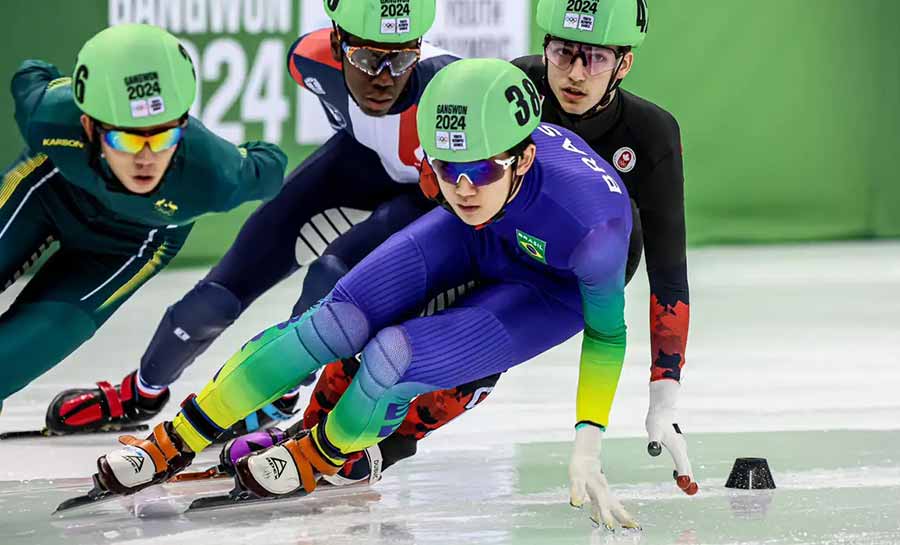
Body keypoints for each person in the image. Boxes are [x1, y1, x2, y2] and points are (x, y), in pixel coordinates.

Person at [91, 57, 642, 529]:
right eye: (448, 167)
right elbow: (468, 191)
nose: (464, 186)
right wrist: (469, 182)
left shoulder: (595, 230)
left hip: (551, 287)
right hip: (482, 235)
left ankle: (316, 455)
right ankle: (173, 438)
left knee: (391, 356)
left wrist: (588, 443)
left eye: (480, 169)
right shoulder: (474, 187)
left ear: (521, 159)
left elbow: (608, 337)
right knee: (331, 324)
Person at [249, 0, 696, 496]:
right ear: (544, 46)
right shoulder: (510, 86)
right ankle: (307, 429)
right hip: (487, 233)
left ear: (624, 64)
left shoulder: (651, 134)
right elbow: (434, 179)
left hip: (563, 271)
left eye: (595, 58)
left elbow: (669, 276)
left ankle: (388, 446)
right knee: (379, 312)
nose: (573, 72)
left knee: (467, 357)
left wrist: (664, 397)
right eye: (563, 52)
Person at [45, 0, 458, 435]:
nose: (383, 79)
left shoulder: (448, 89)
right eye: (366, 58)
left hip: (423, 195)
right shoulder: (309, 61)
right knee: (216, 296)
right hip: (360, 163)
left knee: (328, 279)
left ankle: (278, 399)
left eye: (401, 59)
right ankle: (141, 392)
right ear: (337, 43)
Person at [0, 24, 286, 418]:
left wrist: (230, 152)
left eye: (163, 136)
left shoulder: (214, 177)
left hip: (128, 246)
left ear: (183, 126)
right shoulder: (49, 118)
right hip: (48, 191)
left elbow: (272, 163)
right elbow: (32, 72)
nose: (146, 158)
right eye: (127, 139)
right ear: (88, 125)